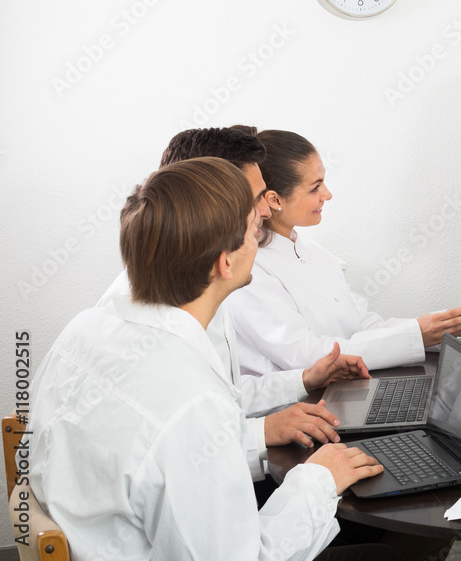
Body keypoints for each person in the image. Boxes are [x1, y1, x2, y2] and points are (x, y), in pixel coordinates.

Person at [28, 158, 396, 560]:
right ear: (226, 261)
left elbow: (158, 456)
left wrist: (262, 428)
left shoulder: (84, 327)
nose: (261, 235)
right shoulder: (192, 401)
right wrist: (319, 479)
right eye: (254, 229)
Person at [97, 127, 362, 485]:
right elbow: (185, 459)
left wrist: (302, 380)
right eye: (255, 198)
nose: (266, 209)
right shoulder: (155, 334)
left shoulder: (199, 286)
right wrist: (313, 479)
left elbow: (224, 397)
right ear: (208, 200)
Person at [229, 129, 461, 375]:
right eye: (315, 188)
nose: (327, 194)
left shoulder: (316, 254)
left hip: (341, 384)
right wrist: (416, 335)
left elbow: (365, 326)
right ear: (274, 200)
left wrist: (446, 327)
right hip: (299, 398)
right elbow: (303, 355)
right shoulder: (250, 270)